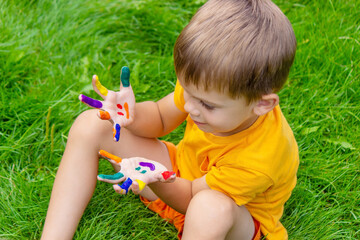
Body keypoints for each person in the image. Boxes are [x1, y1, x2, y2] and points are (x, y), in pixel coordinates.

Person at [41, 0, 298, 239]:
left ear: (262, 104)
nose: (190, 107)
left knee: (209, 208)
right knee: (92, 124)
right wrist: (130, 115)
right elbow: (162, 118)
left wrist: (156, 178)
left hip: (231, 217)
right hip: (180, 174)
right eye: (187, 91)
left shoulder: (261, 158)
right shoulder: (204, 86)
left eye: (207, 105)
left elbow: (191, 198)